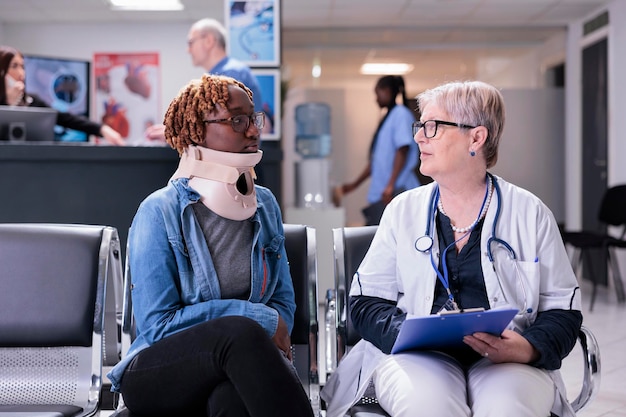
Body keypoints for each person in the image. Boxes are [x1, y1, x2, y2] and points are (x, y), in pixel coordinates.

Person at [321, 80, 583, 417]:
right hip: (417, 356)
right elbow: (365, 301)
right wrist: (408, 333)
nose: (418, 137)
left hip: (508, 358)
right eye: (420, 126)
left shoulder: (530, 214)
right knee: (428, 407)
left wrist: (530, 348)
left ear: (476, 137)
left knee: (507, 409)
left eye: (431, 127)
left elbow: (563, 310)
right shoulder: (403, 211)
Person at [107, 73, 314, 417]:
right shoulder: (159, 211)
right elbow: (158, 325)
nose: (252, 130)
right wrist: (252, 316)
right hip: (157, 371)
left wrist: (261, 325)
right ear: (197, 130)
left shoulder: (264, 205)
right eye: (237, 119)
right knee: (240, 331)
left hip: (238, 367)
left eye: (253, 118)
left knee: (230, 401)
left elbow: (283, 306)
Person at [144, 18, 262, 141]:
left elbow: (219, 127)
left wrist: (176, 135)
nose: (188, 50)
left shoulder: (230, 75)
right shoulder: (226, 74)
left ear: (208, 41)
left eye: (191, 43)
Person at [336, 75, 420, 226]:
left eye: (377, 93)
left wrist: (390, 185)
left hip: (396, 191)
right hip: (385, 193)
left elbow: (403, 149)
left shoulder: (400, 114)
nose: (376, 99)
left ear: (387, 91)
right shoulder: (388, 117)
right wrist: (354, 185)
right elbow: (376, 162)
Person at [0, 45, 125, 146]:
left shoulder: (32, 101)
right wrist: (9, 104)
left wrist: (102, 129)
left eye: (22, 66)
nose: (21, 73)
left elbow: (66, 119)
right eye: (14, 66)